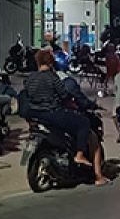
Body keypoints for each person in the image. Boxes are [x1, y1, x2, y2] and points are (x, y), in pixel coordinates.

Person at [24, 49, 109, 185]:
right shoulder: (52, 77)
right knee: (83, 123)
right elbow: (64, 95)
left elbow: (27, 95)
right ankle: (80, 154)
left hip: (35, 114)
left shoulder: (30, 78)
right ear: (51, 62)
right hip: (53, 113)